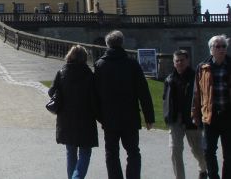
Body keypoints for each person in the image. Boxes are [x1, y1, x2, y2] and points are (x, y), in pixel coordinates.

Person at [94, 30, 155, 179]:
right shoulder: (132, 64)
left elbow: (95, 95)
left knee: (111, 153)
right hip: (130, 116)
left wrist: (100, 116)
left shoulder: (100, 65)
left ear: (107, 44)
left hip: (109, 117)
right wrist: (149, 116)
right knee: (133, 152)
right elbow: (143, 92)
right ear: (122, 43)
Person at [49, 45, 98, 179]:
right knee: (85, 152)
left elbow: (51, 92)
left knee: (71, 152)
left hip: (66, 118)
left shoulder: (62, 72)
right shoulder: (89, 74)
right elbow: (95, 98)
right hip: (86, 118)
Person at [163, 50, 207, 179]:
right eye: (177, 61)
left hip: (192, 118)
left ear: (188, 61)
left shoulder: (196, 77)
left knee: (198, 151)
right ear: (173, 63)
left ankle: (203, 169)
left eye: (182, 60)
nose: (179, 63)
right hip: (175, 119)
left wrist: (200, 116)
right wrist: (167, 115)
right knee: (174, 150)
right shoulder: (169, 79)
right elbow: (165, 98)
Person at [192, 35, 231, 179]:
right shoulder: (203, 68)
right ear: (211, 50)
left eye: (224, 46)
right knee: (208, 151)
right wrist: (195, 114)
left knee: (229, 153)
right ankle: (214, 176)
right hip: (210, 116)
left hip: (228, 115)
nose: (221, 49)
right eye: (218, 46)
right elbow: (197, 93)